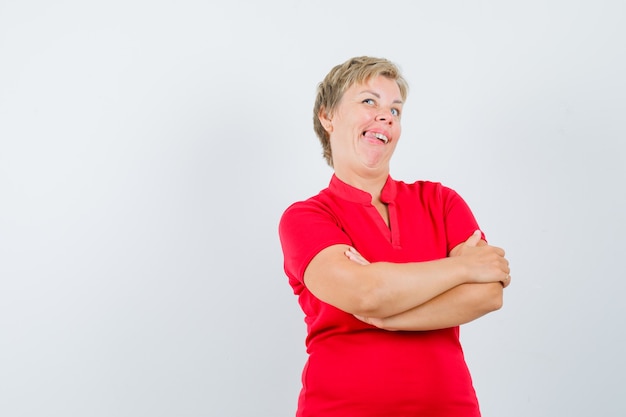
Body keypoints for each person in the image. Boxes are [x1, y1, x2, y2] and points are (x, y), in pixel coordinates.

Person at [278, 56, 510, 417]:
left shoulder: (440, 200)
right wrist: (463, 268)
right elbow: (367, 293)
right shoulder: (306, 218)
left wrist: (390, 314)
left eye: (395, 109)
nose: (385, 116)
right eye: (369, 101)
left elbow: (488, 293)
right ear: (328, 117)